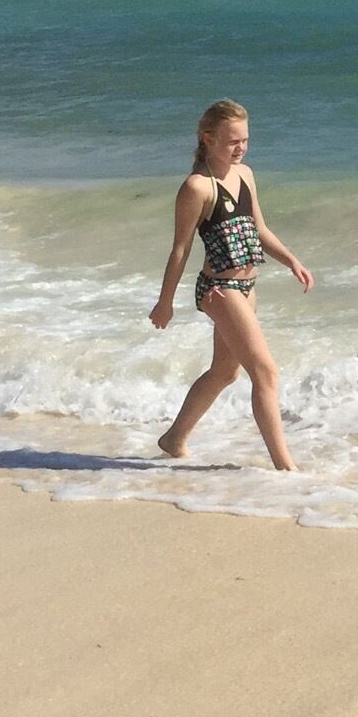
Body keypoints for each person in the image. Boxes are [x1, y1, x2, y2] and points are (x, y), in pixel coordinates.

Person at [149, 99, 314, 470]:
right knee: (266, 372)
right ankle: (286, 467)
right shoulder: (197, 187)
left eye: (245, 140)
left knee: (225, 372)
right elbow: (181, 248)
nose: (240, 148)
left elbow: (258, 228)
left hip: (247, 287)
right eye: (231, 141)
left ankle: (174, 438)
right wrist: (165, 302)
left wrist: (292, 261)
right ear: (207, 139)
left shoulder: (246, 175)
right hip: (218, 290)